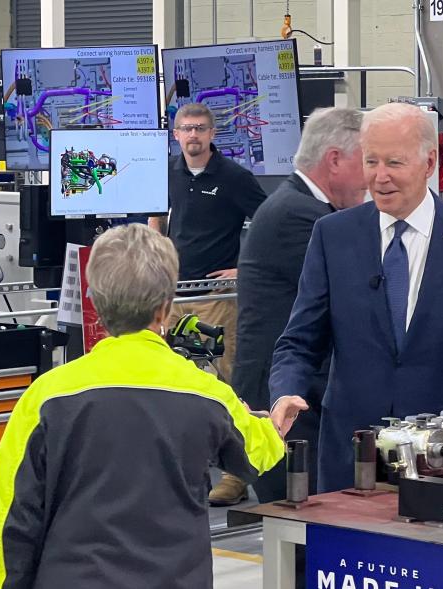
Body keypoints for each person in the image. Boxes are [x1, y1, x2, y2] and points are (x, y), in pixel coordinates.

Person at [0, 224, 287, 589]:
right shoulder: (207, 393)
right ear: (166, 306)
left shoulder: (47, 396)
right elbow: (258, 455)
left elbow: (10, 514)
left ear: (95, 301)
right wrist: (273, 422)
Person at [268, 102, 443, 493]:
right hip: (350, 459)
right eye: (371, 162)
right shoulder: (332, 236)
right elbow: (299, 341)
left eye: (394, 163)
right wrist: (286, 391)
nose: (380, 177)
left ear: (429, 163)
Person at [233, 107, 366, 502]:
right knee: (305, 535)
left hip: (297, 398)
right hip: (288, 403)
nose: (375, 177)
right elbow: (358, 295)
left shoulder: (298, 207)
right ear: (335, 160)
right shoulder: (301, 217)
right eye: (369, 161)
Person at [151, 101, 269, 506]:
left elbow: (267, 221)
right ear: (176, 134)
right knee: (179, 386)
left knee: (227, 385)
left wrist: (240, 269)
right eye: (186, 129)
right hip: (175, 297)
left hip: (217, 300)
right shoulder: (167, 172)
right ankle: (189, 470)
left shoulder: (234, 177)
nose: (193, 136)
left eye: (200, 128)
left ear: (213, 133)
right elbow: (157, 220)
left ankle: (237, 476)